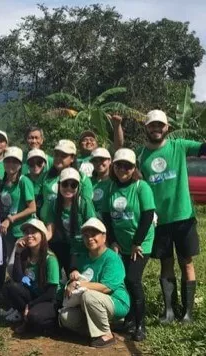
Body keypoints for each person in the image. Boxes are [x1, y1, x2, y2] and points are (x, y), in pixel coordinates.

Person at [114, 109, 204, 323]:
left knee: (187, 262)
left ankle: (188, 312)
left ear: (167, 128)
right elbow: (119, 153)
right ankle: (169, 310)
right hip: (159, 221)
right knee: (166, 263)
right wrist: (117, 126)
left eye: (160, 125)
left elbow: (203, 147)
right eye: (152, 125)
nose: (156, 128)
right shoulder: (141, 154)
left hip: (183, 217)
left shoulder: (179, 146)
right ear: (146, 128)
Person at [101, 148, 155, 341]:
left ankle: (141, 324)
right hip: (121, 244)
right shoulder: (110, 187)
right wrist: (113, 241)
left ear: (134, 168)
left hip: (140, 244)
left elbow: (148, 216)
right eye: (119, 165)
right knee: (123, 281)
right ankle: (130, 319)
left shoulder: (142, 187)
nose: (123, 169)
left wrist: (136, 243)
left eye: (128, 166)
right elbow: (106, 216)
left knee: (133, 280)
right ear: (113, 166)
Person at [59, 218, 130, 349]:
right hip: (89, 305)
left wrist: (80, 285)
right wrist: (71, 283)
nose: (90, 238)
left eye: (94, 235)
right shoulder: (83, 258)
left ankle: (106, 335)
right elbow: (77, 280)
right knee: (65, 317)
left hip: (115, 302)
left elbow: (107, 287)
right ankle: (98, 330)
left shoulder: (112, 258)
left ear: (104, 237)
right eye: (86, 236)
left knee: (89, 296)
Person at [2, 219, 60, 334]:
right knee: (10, 287)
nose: (29, 236)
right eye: (27, 233)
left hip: (48, 300)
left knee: (35, 317)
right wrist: (18, 252)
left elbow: (51, 293)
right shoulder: (26, 255)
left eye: (33, 232)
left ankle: (50, 324)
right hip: (34, 295)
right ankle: (26, 318)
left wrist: (30, 305)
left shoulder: (50, 259)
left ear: (42, 235)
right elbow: (19, 279)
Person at [0, 147, 36, 292]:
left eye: (15, 161)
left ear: (20, 164)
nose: (11, 165)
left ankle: (25, 297)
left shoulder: (24, 182)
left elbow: (32, 208)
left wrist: (10, 219)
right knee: (12, 266)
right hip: (8, 233)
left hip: (22, 232)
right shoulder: (3, 182)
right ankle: (16, 298)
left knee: (15, 267)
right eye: (8, 161)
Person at [42, 168, 96, 274]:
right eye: (65, 184)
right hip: (64, 244)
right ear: (59, 185)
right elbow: (50, 231)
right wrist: (39, 241)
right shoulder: (53, 204)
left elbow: (93, 227)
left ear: (78, 187)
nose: (68, 188)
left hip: (82, 246)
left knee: (74, 273)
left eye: (73, 185)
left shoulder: (84, 203)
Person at [40, 139, 93, 207]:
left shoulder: (83, 179)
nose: (58, 158)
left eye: (63, 155)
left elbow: (87, 206)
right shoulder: (45, 176)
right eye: (56, 155)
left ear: (72, 158)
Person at [90, 148, 112, 215]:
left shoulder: (115, 182)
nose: (98, 163)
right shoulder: (88, 182)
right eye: (95, 161)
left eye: (102, 160)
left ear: (109, 161)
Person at [25, 149, 48, 215]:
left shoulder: (48, 179)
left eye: (39, 162)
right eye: (32, 163)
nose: (35, 166)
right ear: (27, 165)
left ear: (44, 164)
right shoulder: (23, 179)